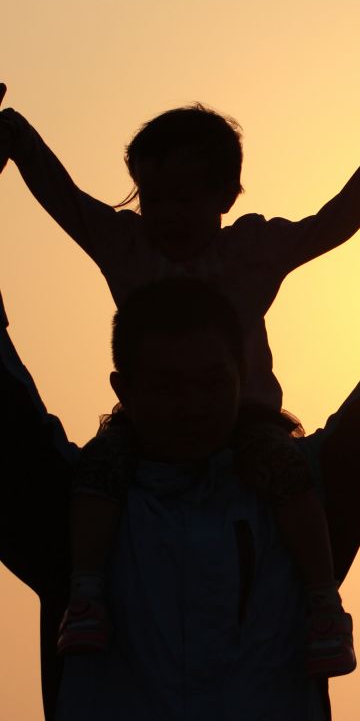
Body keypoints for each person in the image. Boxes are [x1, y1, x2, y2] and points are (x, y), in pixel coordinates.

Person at [0, 84, 359, 672]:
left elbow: (333, 224)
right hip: (146, 422)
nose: (167, 216)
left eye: (185, 200)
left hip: (246, 421)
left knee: (290, 477)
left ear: (225, 196)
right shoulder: (127, 244)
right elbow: (66, 201)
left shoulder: (252, 250)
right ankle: (85, 595)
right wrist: (19, 139)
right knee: (96, 473)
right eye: (153, 199)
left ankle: (322, 603)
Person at [0, 283, 359, 721]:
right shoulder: (75, 507)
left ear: (242, 376)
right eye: (166, 387)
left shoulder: (301, 498)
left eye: (212, 382)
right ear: (123, 389)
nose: (193, 407)